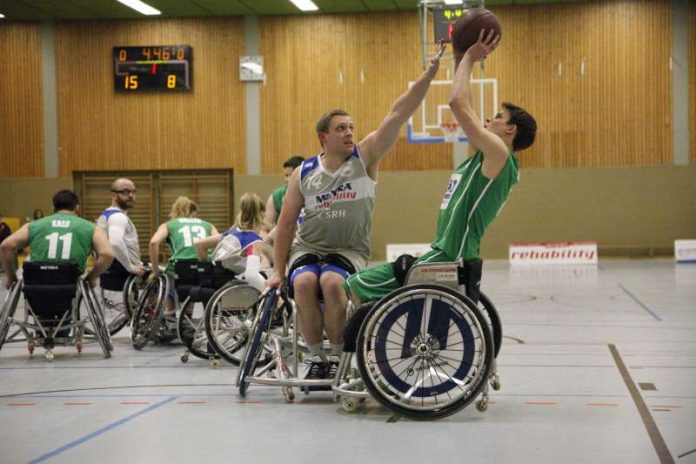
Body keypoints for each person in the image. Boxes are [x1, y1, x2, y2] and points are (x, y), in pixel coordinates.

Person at [267, 42, 447, 381]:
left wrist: (430, 74)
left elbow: (398, 114)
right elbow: (287, 223)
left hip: (348, 250)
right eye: (341, 128)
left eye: (351, 127)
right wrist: (277, 270)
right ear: (323, 137)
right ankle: (316, 357)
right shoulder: (304, 173)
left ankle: (336, 354)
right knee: (304, 282)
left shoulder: (364, 159)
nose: (349, 132)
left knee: (333, 283)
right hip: (308, 248)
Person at [344, 32, 537, 308]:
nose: (487, 119)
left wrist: (470, 58)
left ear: (510, 129)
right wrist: (460, 58)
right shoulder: (488, 158)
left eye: (496, 117)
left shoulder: (500, 154)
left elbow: (459, 103)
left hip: (450, 256)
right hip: (445, 251)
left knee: (350, 285)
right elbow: (464, 102)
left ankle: (335, 346)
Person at [0, 190, 115, 289]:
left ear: (53, 208)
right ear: (77, 208)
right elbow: (107, 254)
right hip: (70, 281)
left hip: (38, 282)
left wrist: (11, 278)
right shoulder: (92, 228)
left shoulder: (33, 225)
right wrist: (91, 277)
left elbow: (6, 246)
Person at [196, 192, 272, 273]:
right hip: (229, 280)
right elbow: (263, 267)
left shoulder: (230, 233)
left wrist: (205, 266)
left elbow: (199, 244)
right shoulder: (253, 241)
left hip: (213, 277)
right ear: (260, 216)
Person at [149, 196, 218, 279]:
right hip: (205, 266)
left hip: (180, 267)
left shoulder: (168, 225)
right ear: (193, 212)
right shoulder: (209, 225)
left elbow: (153, 243)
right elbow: (220, 242)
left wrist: (155, 272)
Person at [97, 178, 145, 279]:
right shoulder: (118, 217)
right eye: (125, 192)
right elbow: (115, 243)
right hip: (123, 272)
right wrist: (130, 267)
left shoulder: (105, 215)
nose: (131, 195)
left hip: (110, 270)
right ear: (114, 195)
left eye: (133, 192)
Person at [264, 156, 305, 231]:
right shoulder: (276, 196)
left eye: (291, 175)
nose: (287, 180)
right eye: (286, 175)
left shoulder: (313, 194)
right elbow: (266, 227)